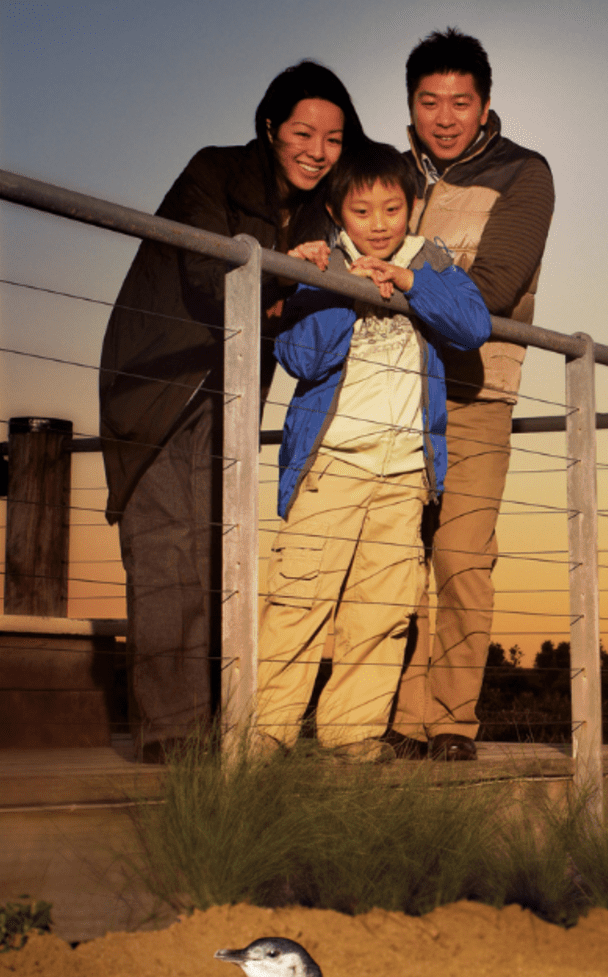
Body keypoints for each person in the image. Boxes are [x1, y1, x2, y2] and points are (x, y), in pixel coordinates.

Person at [98, 61, 364, 763]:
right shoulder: (212, 171)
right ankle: (170, 736)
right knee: (164, 546)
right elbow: (208, 277)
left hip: (233, 388)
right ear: (271, 126)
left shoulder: (318, 209)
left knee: (220, 549)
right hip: (158, 379)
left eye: (334, 138)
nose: (317, 149)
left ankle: (216, 725)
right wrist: (285, 268)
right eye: (303, 131)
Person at [251, 141, 492, 761]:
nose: (379, 224)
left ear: (413, 207)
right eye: (363, 212)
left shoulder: (430, 261)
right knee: (300, 598)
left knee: (381, 610)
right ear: (338, 214)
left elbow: (472, 326)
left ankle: (350, 735)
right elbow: (300, 357)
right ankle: (267, 734)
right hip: (333, 464)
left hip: (407, 470)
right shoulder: (323, 263)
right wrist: (335, 285)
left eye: (392, 208)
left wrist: (408, 282)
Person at [387, 28, 556, 762]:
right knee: (390, 560)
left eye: (461, 101)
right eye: (430, 101)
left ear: (485, 105)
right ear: (412, 105)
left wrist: (395, 266)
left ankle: (451, 719)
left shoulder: (524, 173)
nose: (446, 116)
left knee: (459, 556)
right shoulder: (386, 171)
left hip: (475, 390)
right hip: (388, 389)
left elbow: (489, 290)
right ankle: (393, 718)